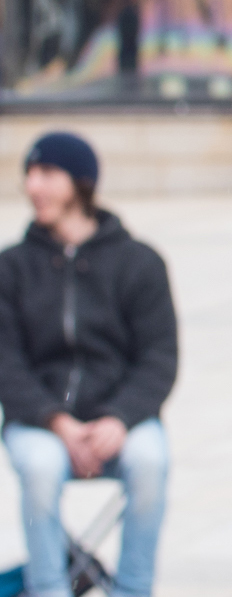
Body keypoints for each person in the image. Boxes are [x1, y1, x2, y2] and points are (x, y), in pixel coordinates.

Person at [0, 132, 177, 597]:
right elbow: (6, 362)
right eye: (30, 175)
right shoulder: (11, 267)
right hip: (39, 421)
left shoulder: (139, 262)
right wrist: (56, 421)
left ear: (81, 183)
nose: (33, 186)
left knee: (150, 461)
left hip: (121, 419)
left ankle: (133, 589)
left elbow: (160, 358)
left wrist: (119, 419)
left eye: (47, 174)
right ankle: (49, 588)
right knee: (39, 469)